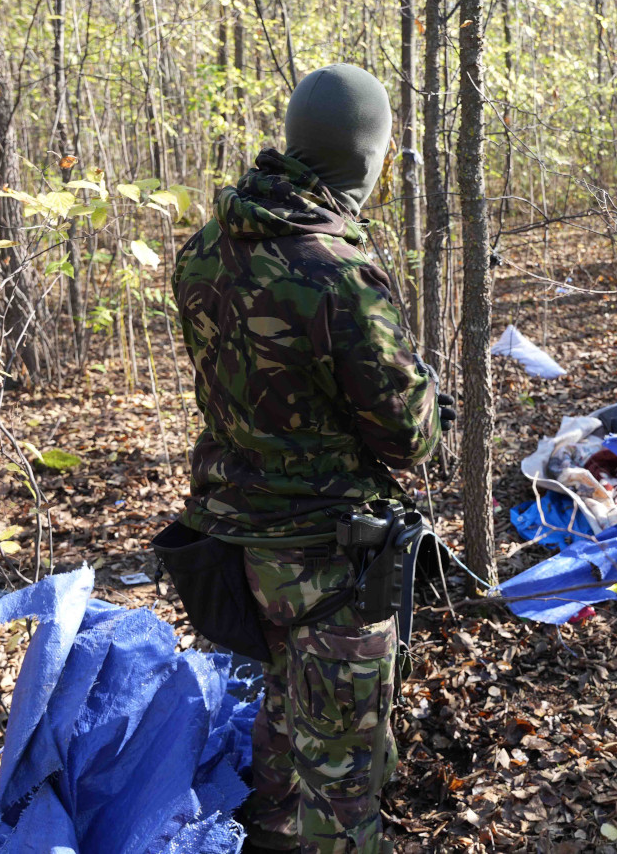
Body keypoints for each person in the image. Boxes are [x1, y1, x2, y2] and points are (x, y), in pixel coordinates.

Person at [172, 63, 454, 854]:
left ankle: (268, 836)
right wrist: (431, 399)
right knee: (342, 773)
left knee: (282, 713)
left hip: (239, 540)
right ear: (365, 157)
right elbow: (407, 438)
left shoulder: (203, 250)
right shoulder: (339, 274)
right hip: (327, 556)